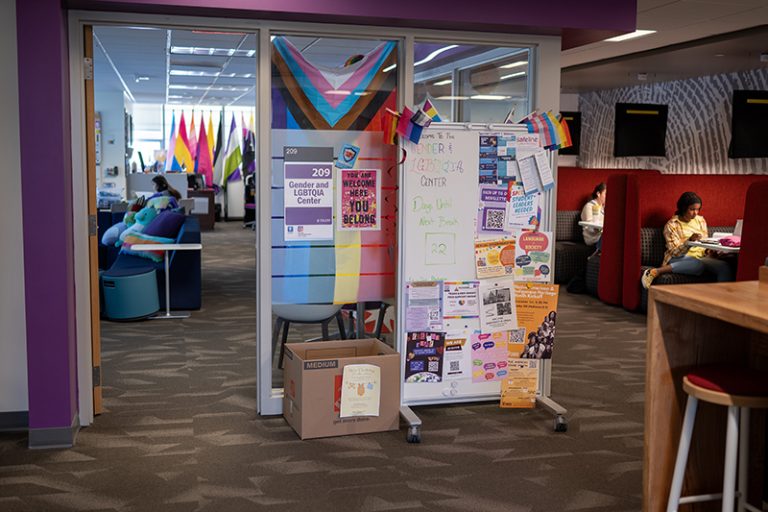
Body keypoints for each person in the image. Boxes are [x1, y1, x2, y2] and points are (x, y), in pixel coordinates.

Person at [641, 191, 734, 289]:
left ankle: (719, 301)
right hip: (679, 258)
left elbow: (704, 242)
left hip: (701, 258)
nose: (695, 213)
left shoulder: (700, 220)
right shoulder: (672, 225)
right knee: (697, 265)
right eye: (692, 209)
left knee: (724, 267)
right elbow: (674, 252)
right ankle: (656, 271)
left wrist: (711, 250)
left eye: (698, 209)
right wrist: (689, 241)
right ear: (683, 208)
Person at [581, 182, 606, 250]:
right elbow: (590, 227)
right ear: (598, 194)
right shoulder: (589, 206)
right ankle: (595, 258)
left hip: (601, 236)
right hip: (592, 238)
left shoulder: (603, 208)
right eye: (606, 194)